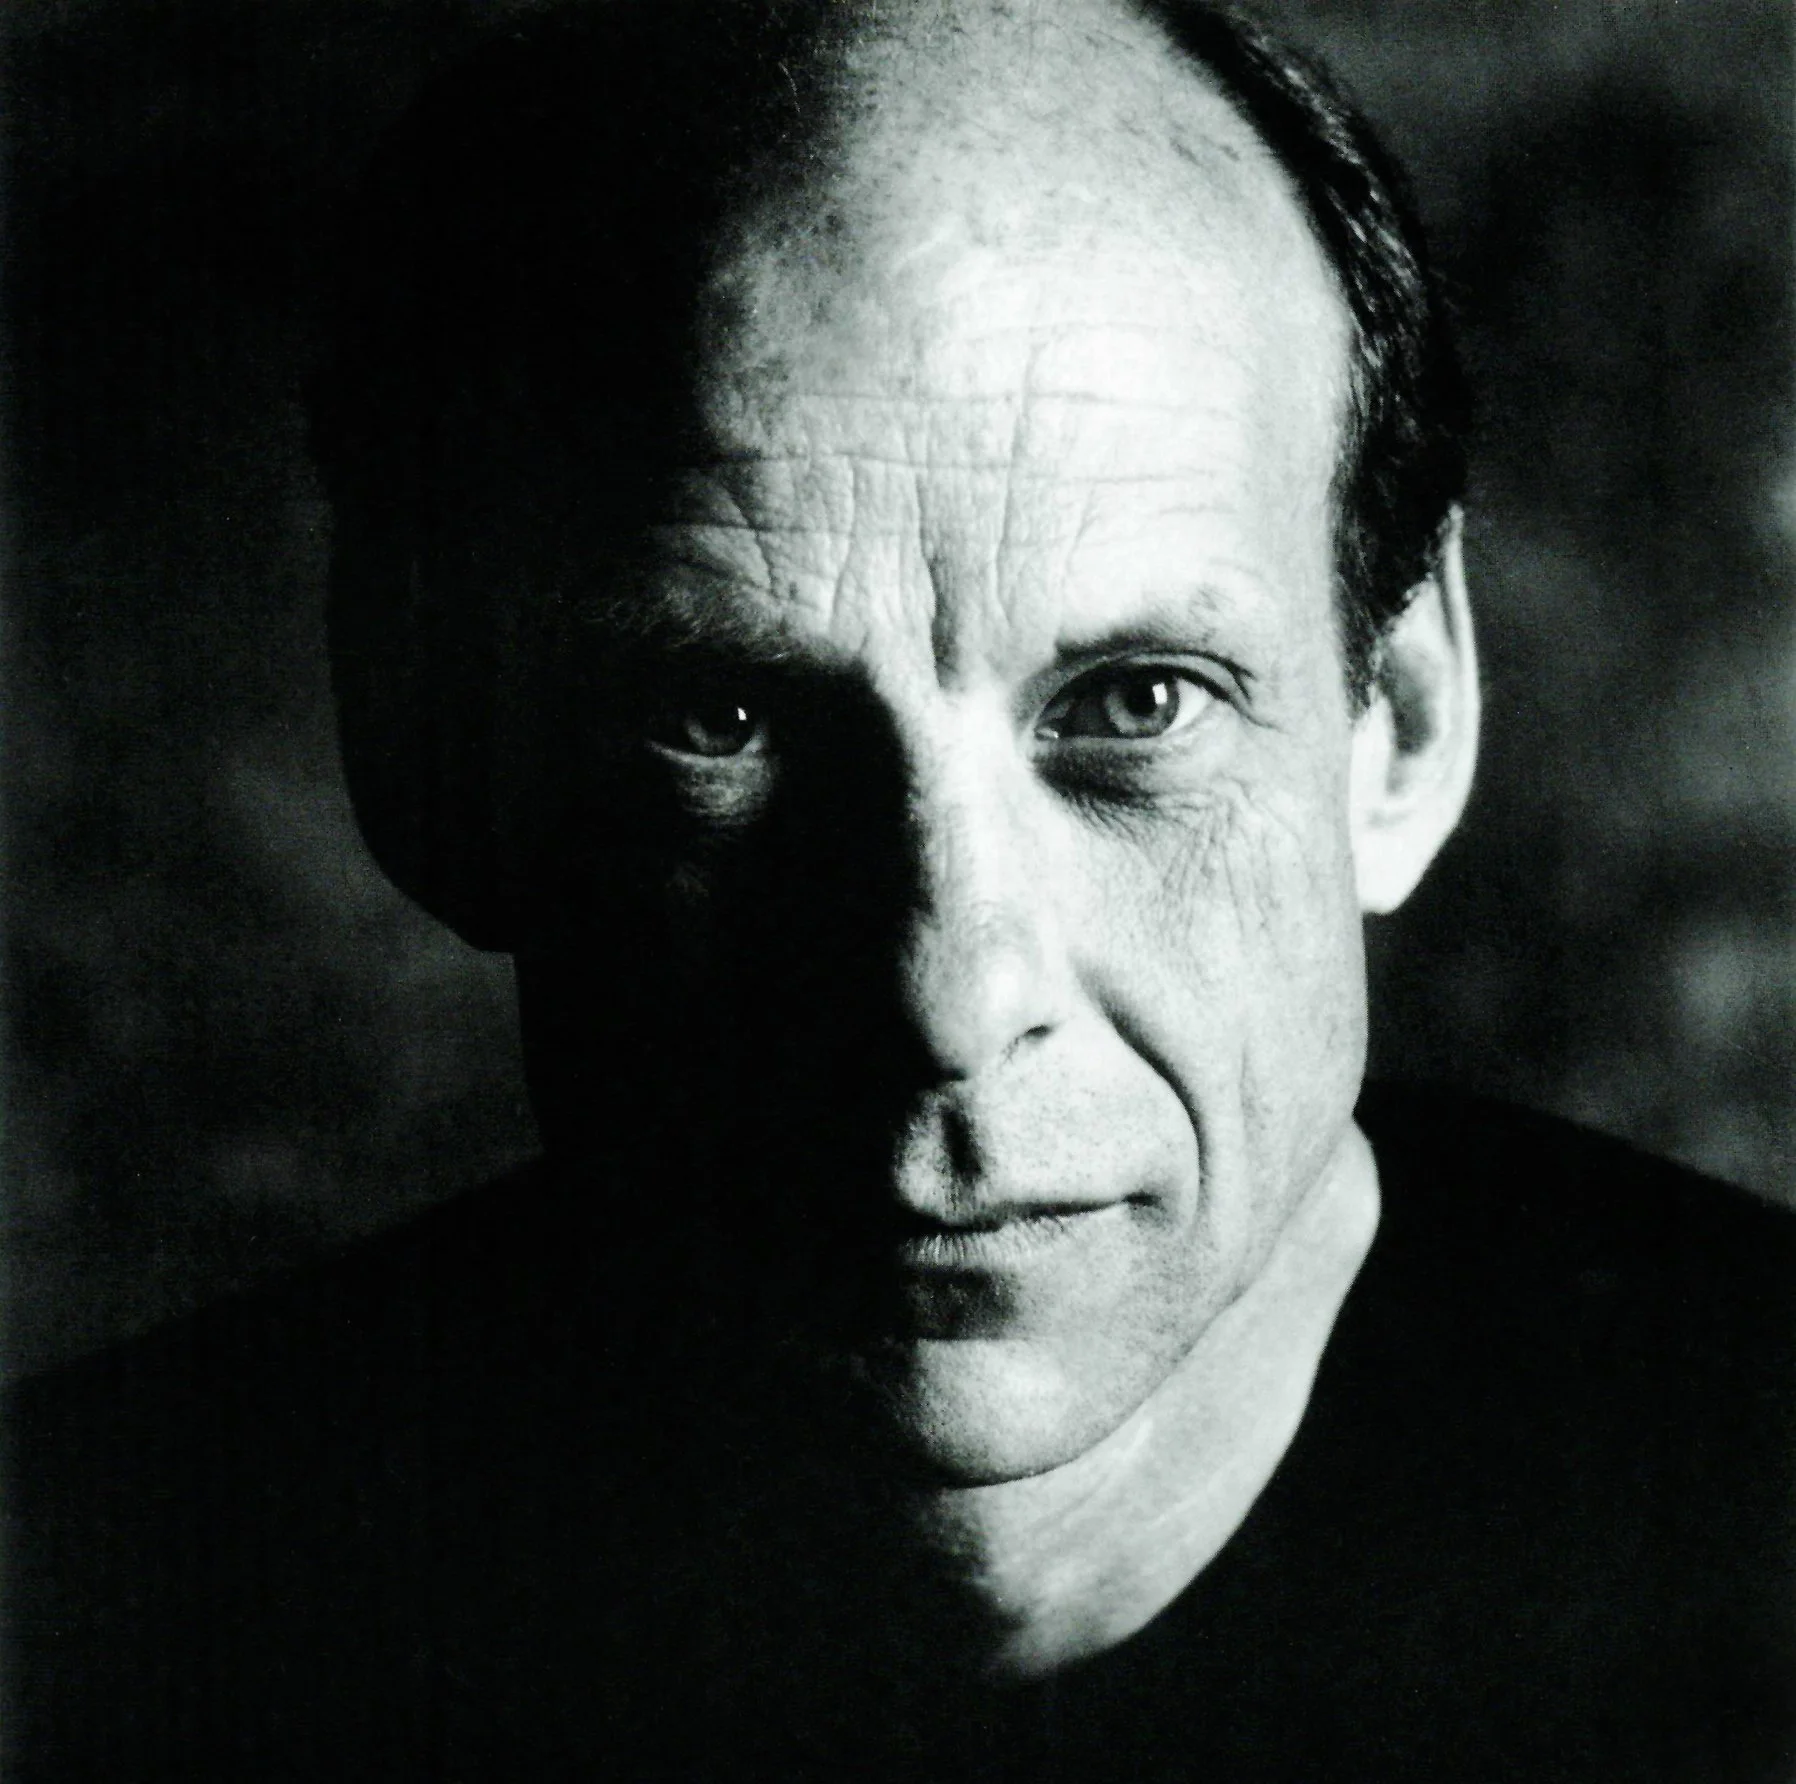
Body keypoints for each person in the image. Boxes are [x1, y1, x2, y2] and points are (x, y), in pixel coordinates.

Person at [8, 2, 1793, 1778]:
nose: (948, 993)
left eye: (1135, 707)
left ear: (1395, 726)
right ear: (429, 759)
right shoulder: (90, 1620)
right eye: (721, 717)